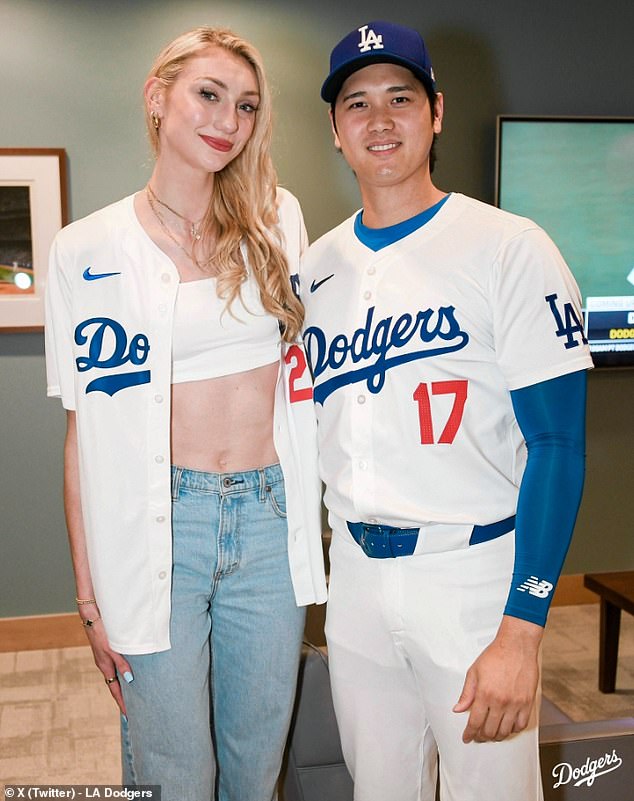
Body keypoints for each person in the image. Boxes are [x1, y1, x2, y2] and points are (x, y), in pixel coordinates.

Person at [299, 20, 594, 801]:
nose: (380, 119)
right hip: (356, 580)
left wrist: (522, 629)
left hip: (471, 576)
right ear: (335, 130)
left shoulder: (509, 246)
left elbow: (559, 443)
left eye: (401, 96)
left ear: (436, 112)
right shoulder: (315, 270)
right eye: (356, 103)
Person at [45, 26, 326, 801]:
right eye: (208, 95)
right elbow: (83, 437)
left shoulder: (278, 219)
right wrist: (89, 596)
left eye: (245, 106)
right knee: (174, 772)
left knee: (253, 759)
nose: (227, 122)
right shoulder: (83, 248)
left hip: (268, 522)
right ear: (157, 96)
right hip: (159, 522)